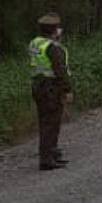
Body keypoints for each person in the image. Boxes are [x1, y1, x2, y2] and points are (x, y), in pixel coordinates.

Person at [29, 13, 72, 171]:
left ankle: (51, 154)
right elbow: (60, 70)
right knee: (51, 123)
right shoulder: (53, 47)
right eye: (57, 28)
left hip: (38, 85)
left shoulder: (36, 43)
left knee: (44, 121)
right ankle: (47, 159)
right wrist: (67, 90)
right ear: (53, 30)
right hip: (50, 87)